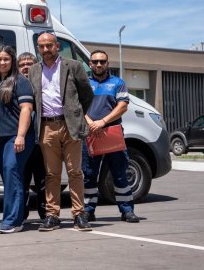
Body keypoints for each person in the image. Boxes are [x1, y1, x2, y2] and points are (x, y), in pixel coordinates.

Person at [28, 32, 94, 232]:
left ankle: (79, 214)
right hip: (47, 127)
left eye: (49, 45)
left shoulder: (73, 66)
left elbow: (87, 95)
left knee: (75, 172)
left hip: (69, 125)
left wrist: (76, 115)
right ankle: (52, 215)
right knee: (51, 174)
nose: (45, 49)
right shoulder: (33, 70)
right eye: (41, 46)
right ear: (38, 49)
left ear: (57, 46)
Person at [82, 50, 140, 223]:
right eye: (95, 61)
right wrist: (91, 123)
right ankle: (88, 211)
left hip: (112, 132)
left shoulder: (118, 83)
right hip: (90, 132)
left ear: (107, 63)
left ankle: (127, 211)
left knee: (120, 173)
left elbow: (123, 106)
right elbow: (78, 105)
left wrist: (102, 122)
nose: (99, 64)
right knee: (89, 174)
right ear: (90, 64)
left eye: (102, 61)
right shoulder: (84, 83)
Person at [0, 46, 35, 233]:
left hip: (16, 137)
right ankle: (17, 217)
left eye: (6, 59)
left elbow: (26, 109)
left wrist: (21, 136)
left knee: (11, 173)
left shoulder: (21, 81)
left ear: (12, 61)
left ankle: (12, 221)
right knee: (11, 179)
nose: (2, 62)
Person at [17, 52, 47, 220]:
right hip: (22, 141)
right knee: (22, 180)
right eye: (22, 65)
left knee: (43, 181)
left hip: (41, 141)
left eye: (29, 64)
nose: (26, 67)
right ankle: (22, 214)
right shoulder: (14, 85)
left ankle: (45, 215)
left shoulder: (44, 85)